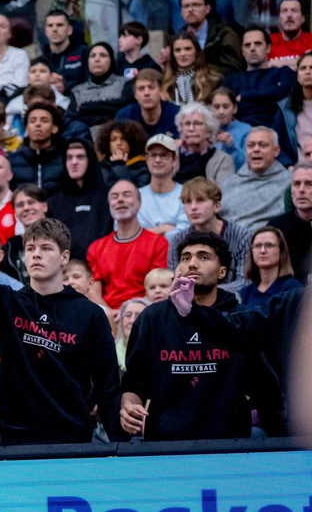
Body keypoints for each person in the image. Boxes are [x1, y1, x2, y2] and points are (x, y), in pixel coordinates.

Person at [0, 178, 120, 444]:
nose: (36, 254)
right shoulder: (8, 302)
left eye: (46, 248)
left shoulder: (90, 314)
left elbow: (108, 385)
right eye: (30, 248)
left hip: (71, 436)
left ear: (64, 257)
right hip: (15, 435)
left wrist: (120, 447)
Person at [120, 232, 281, 440]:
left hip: (229, 445)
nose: (192, 264)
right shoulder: (151, 318)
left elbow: (266, 388)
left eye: (203, 257)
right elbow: (133, 384)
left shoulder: (241, 318)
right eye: (185, 258)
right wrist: (128, 406)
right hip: (164, 444)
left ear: (222, 271)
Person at [88, 180, 171, 310]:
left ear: (139, 203)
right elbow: (93, 291)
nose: (120, 200)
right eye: (114, 196)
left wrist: (127, 312)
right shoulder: (96, 248)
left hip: (144, 311)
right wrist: (109, 315)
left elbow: (158, 287)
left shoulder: (157, 243)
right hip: (109, 316)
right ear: (109, 204)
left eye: (127, 195)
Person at [222, 127, 292, 232]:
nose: (256, 149)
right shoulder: (228, 183)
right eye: (251, 146)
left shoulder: (290, 182)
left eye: (263, 145)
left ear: (276, 151)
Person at [266, 162, 312, 279]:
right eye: (296, 184)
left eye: (309, 184)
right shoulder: (276, 227)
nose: (301, 190)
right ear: (291, 191)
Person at [242, 226, 303, 307]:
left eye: (269, 245)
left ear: (281, 251)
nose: (262, 251)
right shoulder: (245, 292)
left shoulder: (292, 288)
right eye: (257, 246)